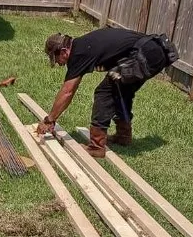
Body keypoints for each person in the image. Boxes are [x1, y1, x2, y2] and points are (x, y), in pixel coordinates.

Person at [36, 27, 178, 157]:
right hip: (154, 50)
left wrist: (50, 120)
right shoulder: (82, 45)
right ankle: (124, 136)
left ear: (63, 51)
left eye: (57, 59)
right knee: (121, 89)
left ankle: (96, 147)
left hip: (145, 53)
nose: (60, 64)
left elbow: (68, 91)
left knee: (104, 92)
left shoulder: (78, 53)